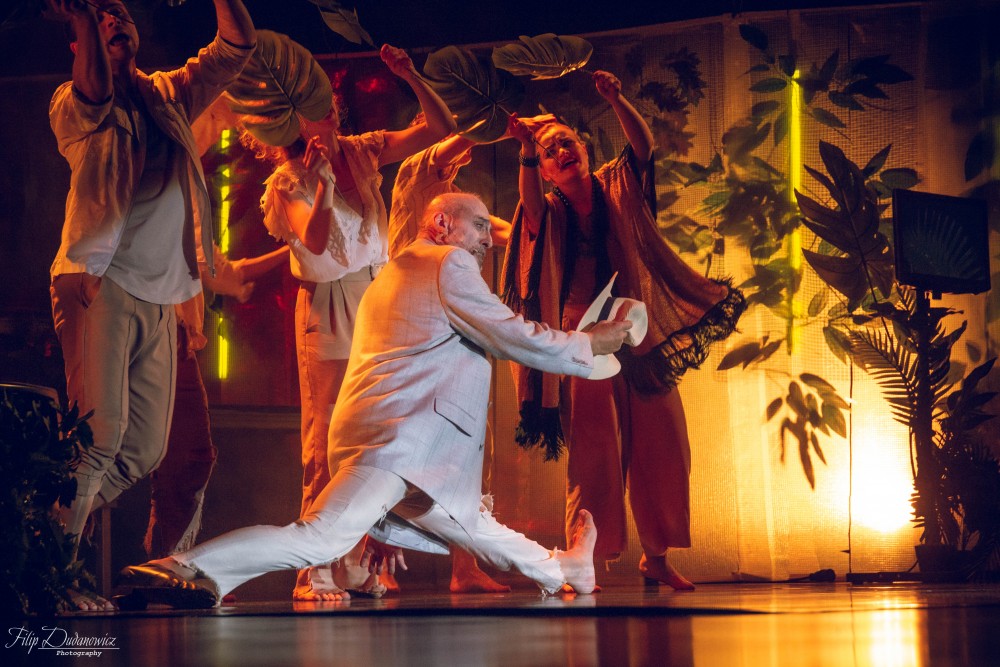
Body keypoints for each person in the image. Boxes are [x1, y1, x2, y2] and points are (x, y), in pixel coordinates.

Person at [118, 192, 633, 608]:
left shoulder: (398, 271)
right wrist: (588, 343)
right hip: (398, 444)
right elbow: (511, 334)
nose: (486, 239)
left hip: (402, 444)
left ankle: (567, 568)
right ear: (441, 224)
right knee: (321, 537)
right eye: (479, 225)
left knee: (475, 526)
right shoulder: (446, 263)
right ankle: (185, 568)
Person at [44, 0, 255, 611]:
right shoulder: (73, 102)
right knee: (99, 438)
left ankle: (38, 525)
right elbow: (95, 88)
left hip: (163, 295)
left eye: (120, 13)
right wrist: (85, 19)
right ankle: (55, 573)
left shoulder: (170, 94)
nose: (114, 20)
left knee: (142, 450)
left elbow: (236, 47)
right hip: (100, 282)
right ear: (79, 40)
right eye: (100, 17)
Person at [503, 71, 746, 590]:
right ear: (545, 172)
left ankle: (656, 556)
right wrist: (525, 151)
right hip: (583, 336)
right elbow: (529, 208)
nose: (561, 152)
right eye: (550, 152)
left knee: (664, 438)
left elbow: (643, 147)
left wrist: (617, 100)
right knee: (594, 449)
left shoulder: (617, 184)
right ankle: (586, 558)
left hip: (634, 327)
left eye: (567, 143)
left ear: (584, 149)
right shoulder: (548, 209)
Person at [245, 44, 456, 601]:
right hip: (330, 305)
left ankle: (354, 563)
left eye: (329, 102)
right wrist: (322, 186)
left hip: (377, 300)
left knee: (375, 438)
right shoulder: (288, 181)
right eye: (314, 108)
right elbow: (315, 242)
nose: (329, 112)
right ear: (294, 123)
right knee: (327, 442)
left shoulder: (363, 150)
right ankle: (313, 569)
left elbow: (441, 128)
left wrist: (410, 74)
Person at [389, 131, 516, 593]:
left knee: (469, 446)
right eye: (456, 147)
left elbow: (507, 231)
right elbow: (451, 138)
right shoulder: (416, 180)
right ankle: (380, 560)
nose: (463, 155)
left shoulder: (459, 203)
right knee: (402, 448)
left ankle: (465, 565)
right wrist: (498, 126)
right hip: (417, 332)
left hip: (452, 328)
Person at [145, 247, 289, 559]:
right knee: (143, 453)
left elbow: (221, 269)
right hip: (157, 324)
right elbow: (217, 270)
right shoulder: (185, 209)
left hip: (175, 331)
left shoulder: (191, 212)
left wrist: (291, 249)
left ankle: (169, 561)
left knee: (187, 458)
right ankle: (166, 561)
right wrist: (294, 248)